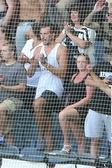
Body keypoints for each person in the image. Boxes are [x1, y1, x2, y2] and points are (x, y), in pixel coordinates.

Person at [28, 24, 68, 152]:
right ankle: (48, 155)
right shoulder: (38, 49)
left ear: (52, 34)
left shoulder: (61, 49)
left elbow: (62, 73)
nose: (43, 36)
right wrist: (33, 63)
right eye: (41, 34)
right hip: (41, 86)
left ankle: (40, 136)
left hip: (55, 87)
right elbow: (30, 74)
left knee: (37, 104)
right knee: (48, 124)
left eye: (46, 33)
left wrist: (46, 64)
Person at [0, 41, 30, 147]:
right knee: (9, 132)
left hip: (15, 100)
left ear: (12, 53)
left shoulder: (19, 67)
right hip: (0, 99)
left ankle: (0, 135)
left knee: (0, 109)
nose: (1, 53)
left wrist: (4, 87)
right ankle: (10, 152)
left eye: (4, 51)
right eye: (1, 51)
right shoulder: (0, 66)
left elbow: (22, 87)